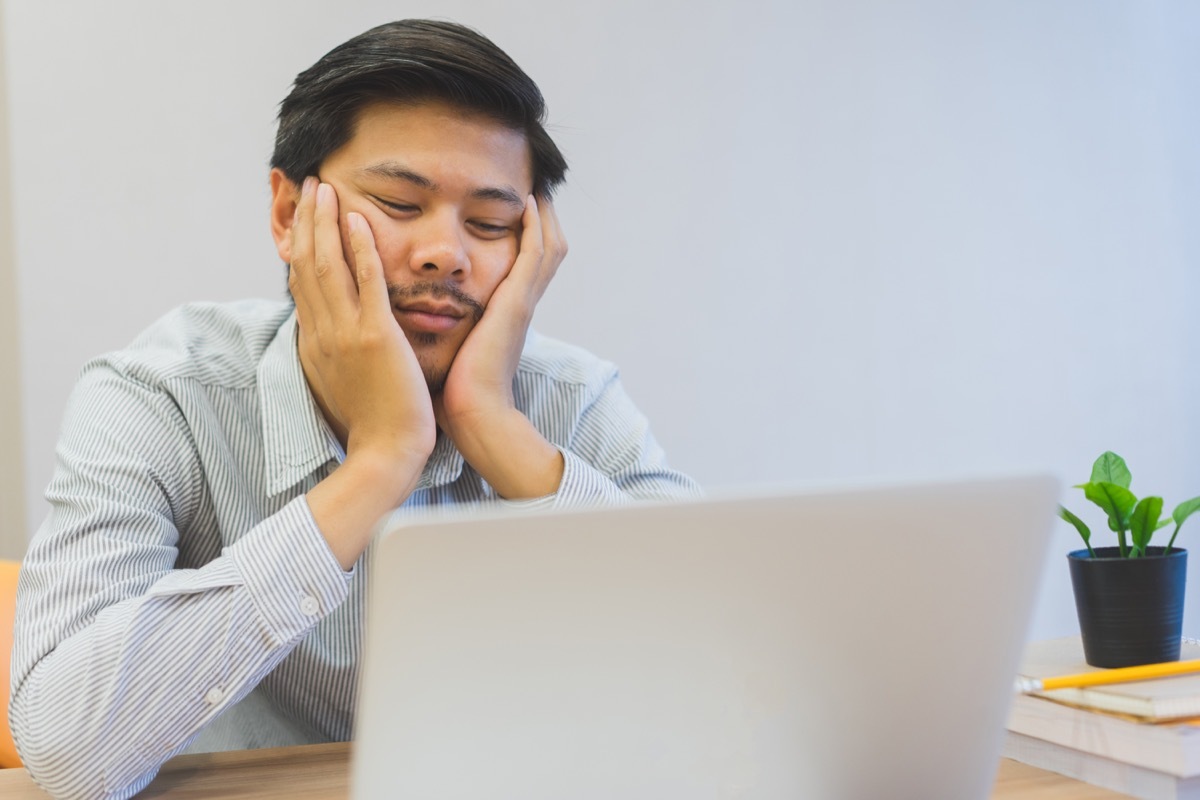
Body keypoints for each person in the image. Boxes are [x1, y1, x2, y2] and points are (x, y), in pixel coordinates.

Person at [9, 19, 698, 800]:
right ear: (287, 212)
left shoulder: (569, 400)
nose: (447, 255)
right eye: (401, 203)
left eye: (491, 224)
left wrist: (495, 427)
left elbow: (728, 678)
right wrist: (381, 460)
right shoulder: (161, 394)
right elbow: (65, 752)